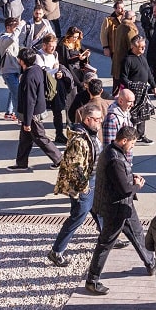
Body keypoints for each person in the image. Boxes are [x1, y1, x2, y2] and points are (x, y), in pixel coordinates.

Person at [84, 125, 154, 294]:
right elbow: (124, 189)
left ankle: (150, 263)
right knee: (106, 243)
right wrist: (137, 185)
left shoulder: (111, 150)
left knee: (137, 233)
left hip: (123, 206)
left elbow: (119, 178)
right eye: (132, 143)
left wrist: (131, 176)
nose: (133, 147)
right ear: (124, 141)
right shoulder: (115, 159)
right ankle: (92, 280)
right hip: (115, 209)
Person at [48, 105, 103, 266]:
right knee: (77, 217)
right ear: (87, 120)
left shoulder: (91, 134)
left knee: (99, 210)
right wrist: (83, 188)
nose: (100, 122)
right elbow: (75, 168)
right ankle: (56, 251)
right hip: (85, 185)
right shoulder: (79, 140)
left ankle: (107, 236)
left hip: (93, 181)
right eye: (97, 119)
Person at [7, 47, 63, 171]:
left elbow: (29, 101)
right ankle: (21, 163)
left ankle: (59, 159)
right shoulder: (37, 69)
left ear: (21, 61)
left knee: (40, 137)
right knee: (25, 139)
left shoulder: (28, 77)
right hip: (35, 111)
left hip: (32, 114)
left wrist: (27, 122)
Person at [0, 17, 23, 121]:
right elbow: (12, 39)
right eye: (15, 27)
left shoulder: (11, 35)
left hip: (15, 69)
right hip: (8, 71)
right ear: (8, 27)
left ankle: (9, 112)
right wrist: (20, 27)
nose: (17, 29)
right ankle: (19, 117)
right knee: (17, 94)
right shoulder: (3, 38)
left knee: (13, 91)